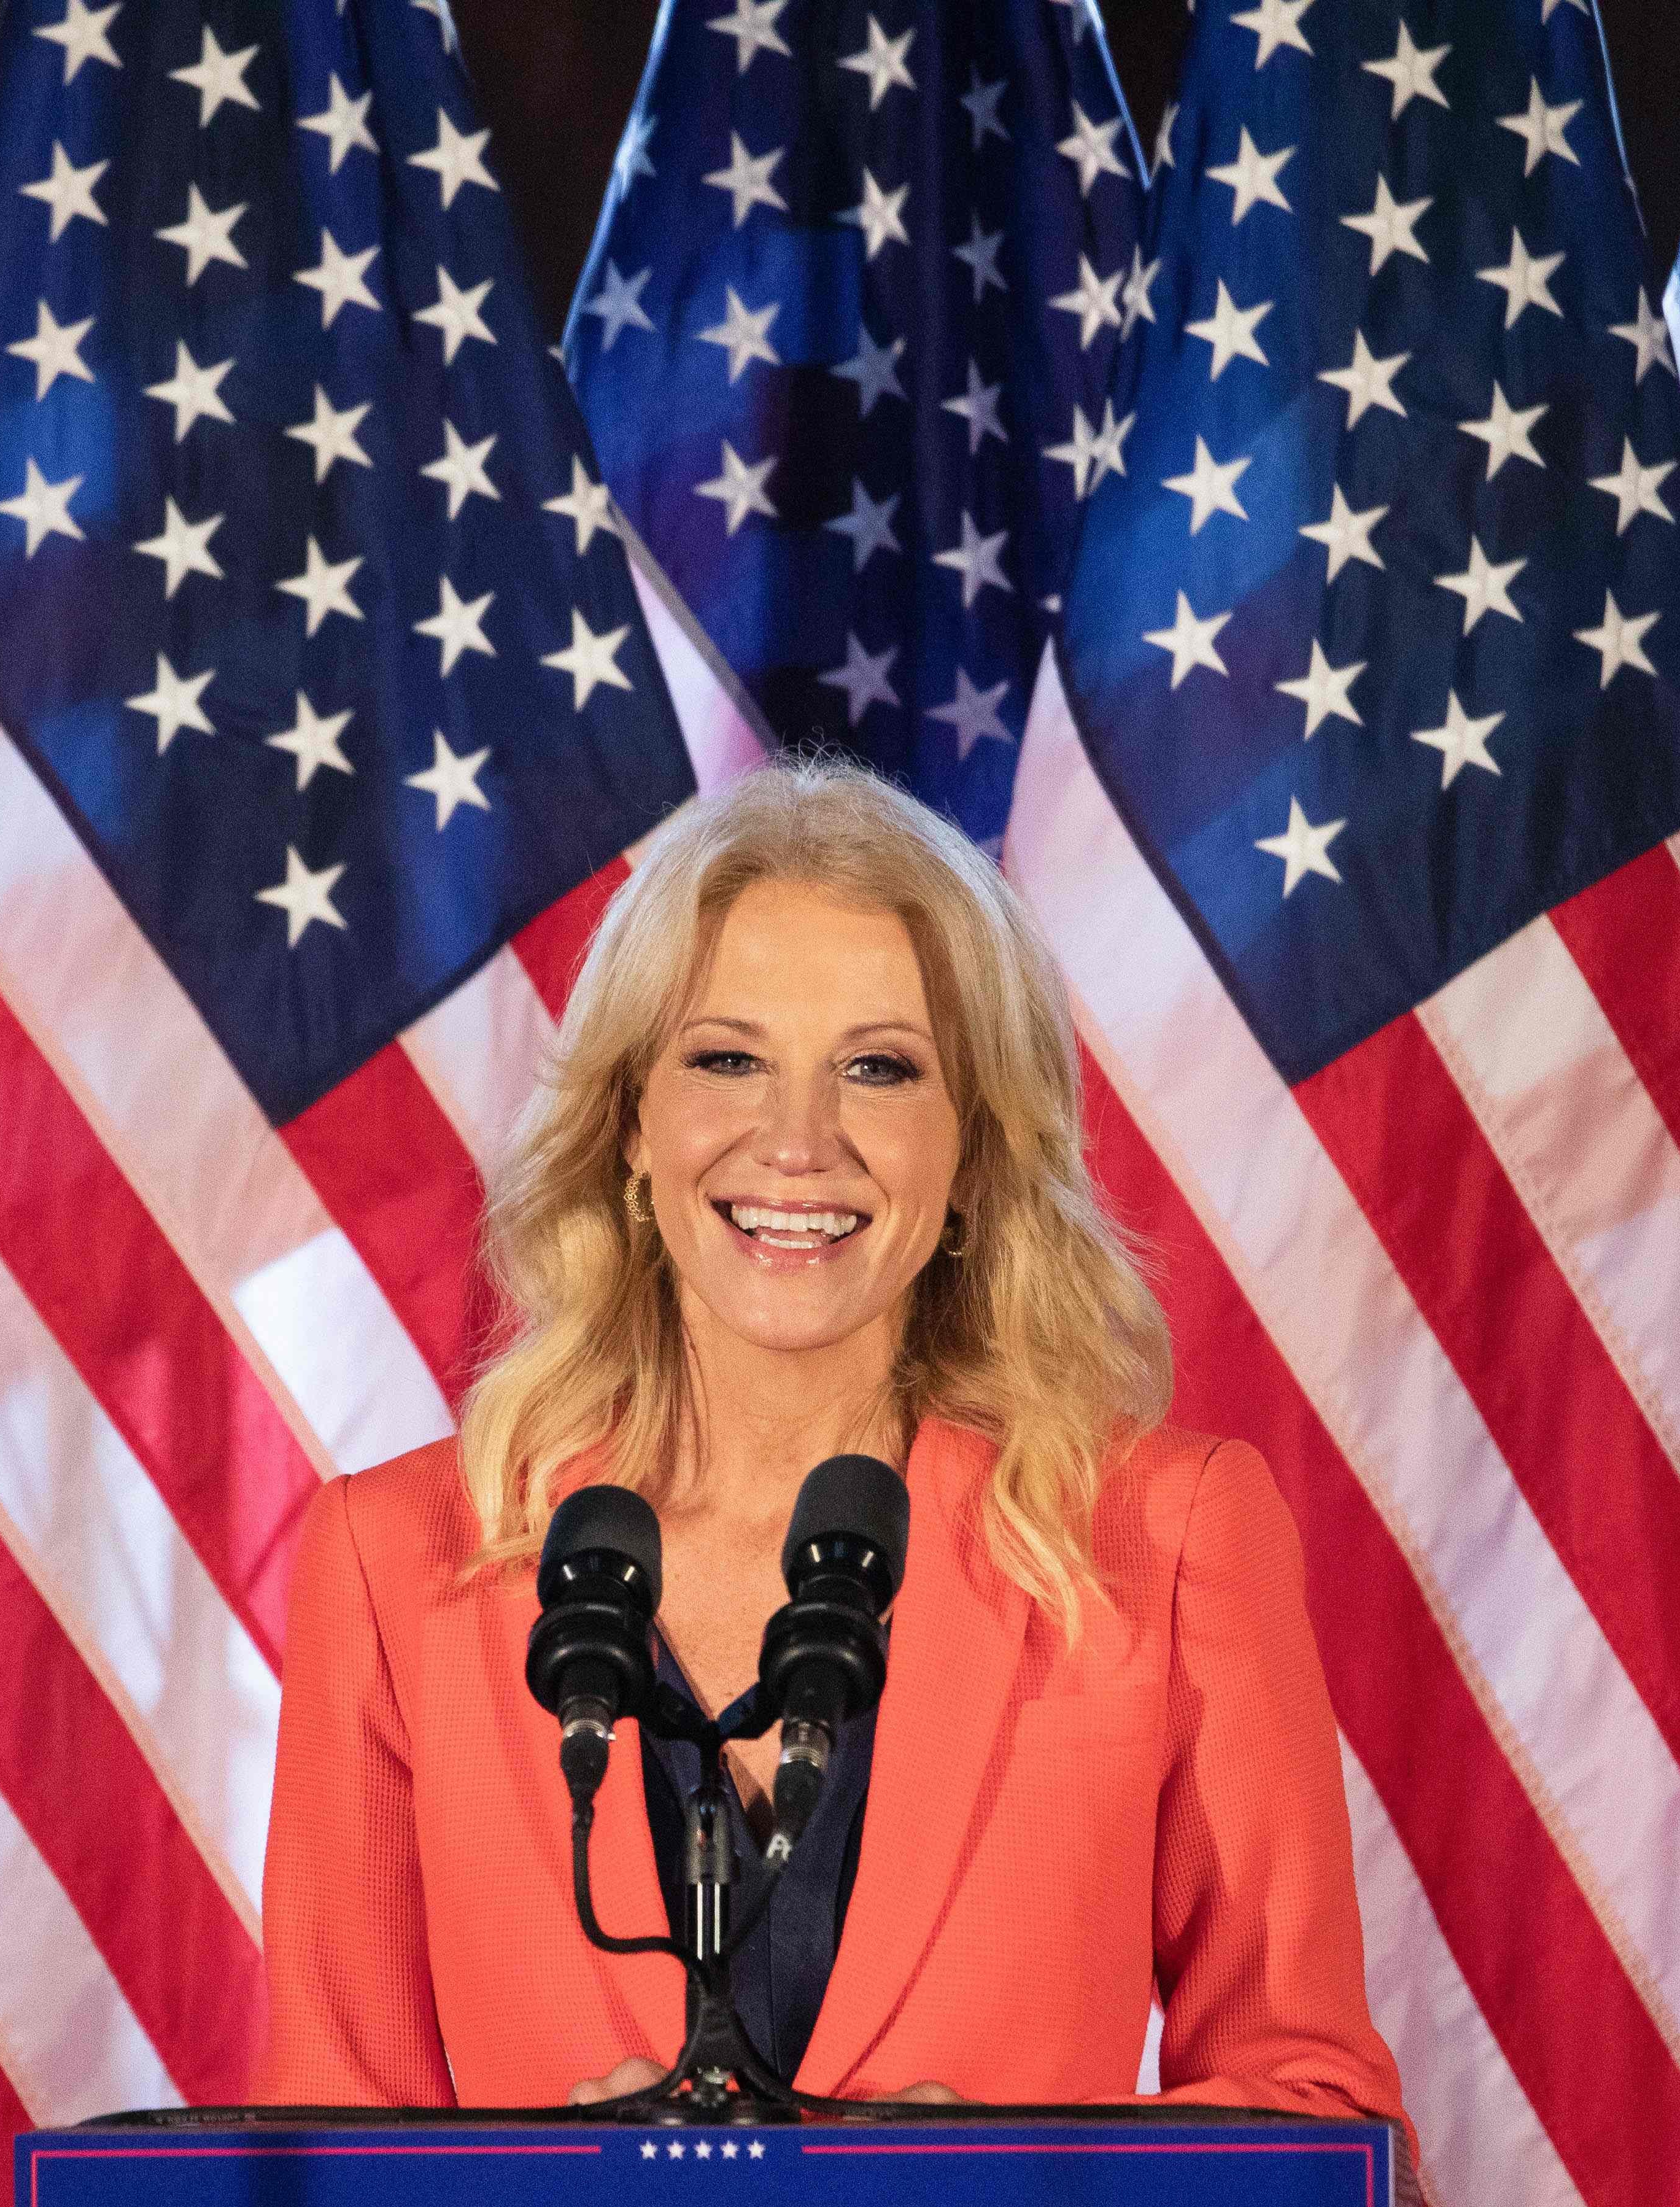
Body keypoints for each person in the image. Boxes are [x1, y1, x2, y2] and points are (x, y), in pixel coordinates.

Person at [257, 758, 1400, 2117]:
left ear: (975, 1149)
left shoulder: (1166, 1534)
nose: (797, 1140)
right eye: (727, 1057)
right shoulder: (398, 1564)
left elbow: (1314, 2112)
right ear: (631, 1122)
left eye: (878, 1068)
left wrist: (1002, 2201)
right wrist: (536, 2205)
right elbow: (313, 2174)